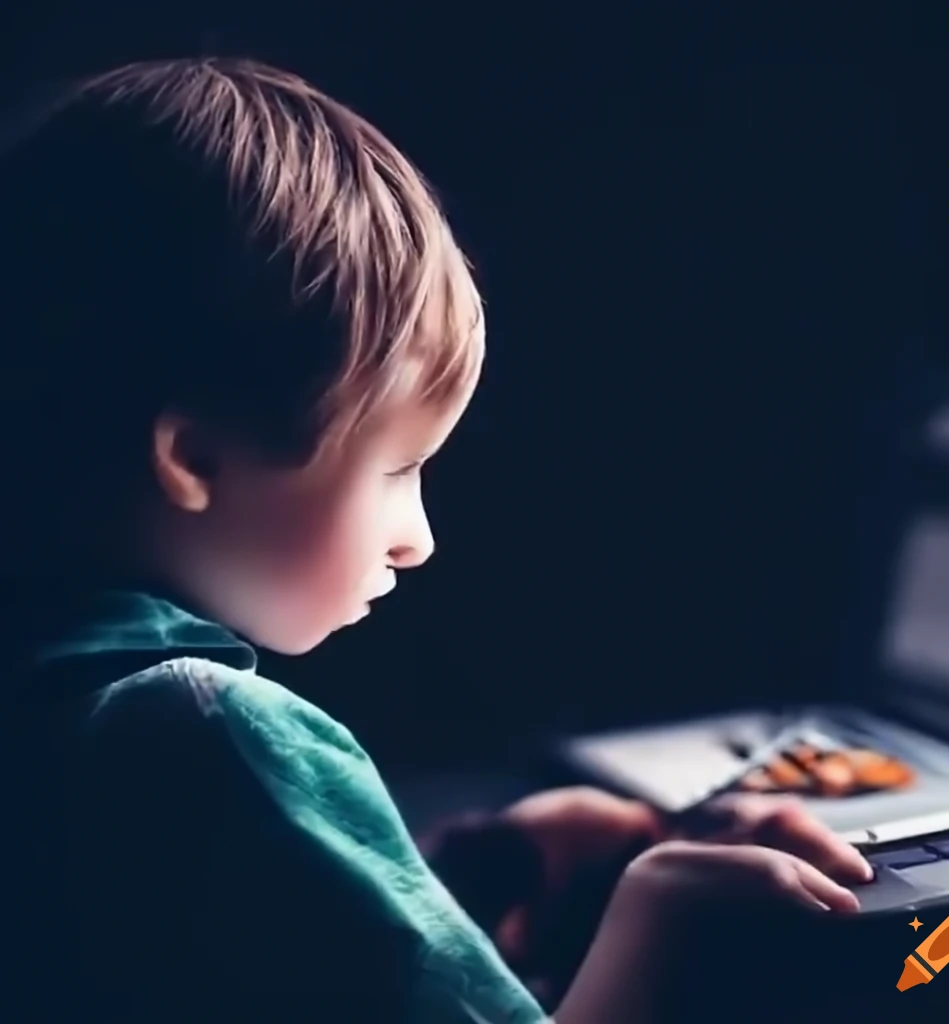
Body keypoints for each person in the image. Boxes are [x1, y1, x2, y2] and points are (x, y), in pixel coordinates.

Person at [0, 58, 872, 1022]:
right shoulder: (210, 736)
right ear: (194, 457)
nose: (416, 540)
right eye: (395, 469)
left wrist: (479, 868)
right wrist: (660, 913)